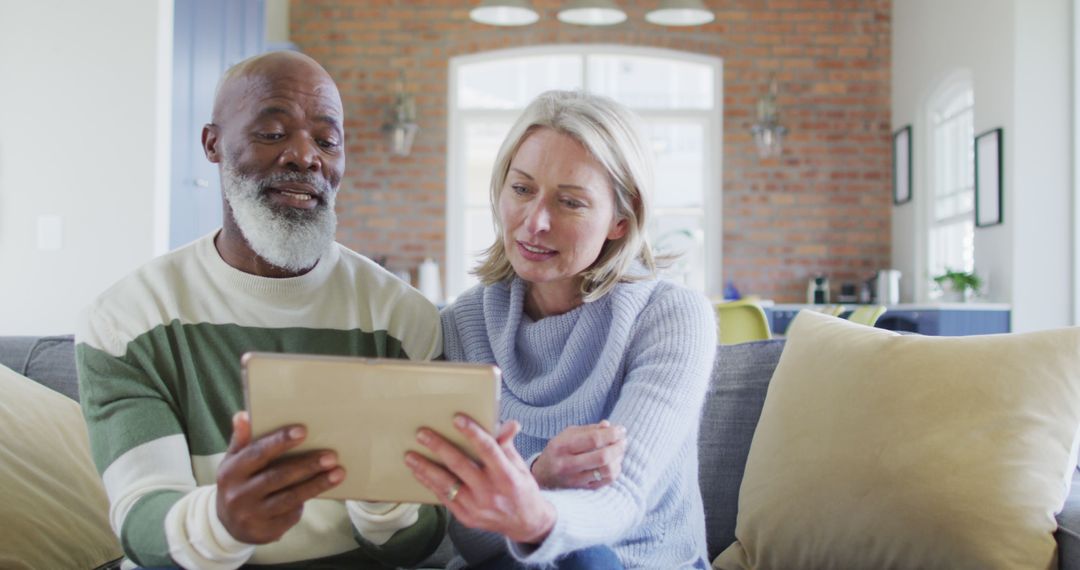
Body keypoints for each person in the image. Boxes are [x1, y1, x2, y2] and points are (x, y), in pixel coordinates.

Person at [75, 51, 445, 569]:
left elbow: (419, 542)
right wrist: (222, 522)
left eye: (326, 140)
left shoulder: (404, 320)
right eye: (273, 132)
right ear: (213, 144)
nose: (304, 156)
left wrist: (379, 486)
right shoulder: (129, 318)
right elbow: (142, 522)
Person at [404, 90, 716, 569]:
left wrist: (531, 510)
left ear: (620, 218)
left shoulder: (669, 317)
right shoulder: (462, 325)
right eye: (522, 189)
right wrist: (537, 477)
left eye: (570, 202)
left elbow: (623, 499)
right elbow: (469, 533)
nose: (535, 223)